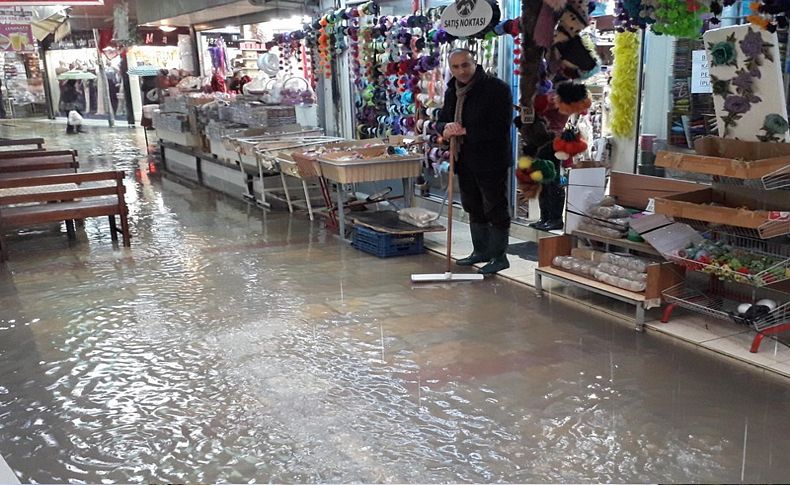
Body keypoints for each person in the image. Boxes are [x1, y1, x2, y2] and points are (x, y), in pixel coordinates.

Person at [438, 49, 514, 275]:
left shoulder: (496, 88)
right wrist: (446, 127)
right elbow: (444, 116)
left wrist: (467, 130)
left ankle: (499, 256)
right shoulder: (453, 90)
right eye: (455, 67)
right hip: (464, 157)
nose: (461, 71)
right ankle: (480, 250)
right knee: (473, 205)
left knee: (495, 206)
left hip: (491, 159)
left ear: (474, 63)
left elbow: (500, 126)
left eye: (465, 65)